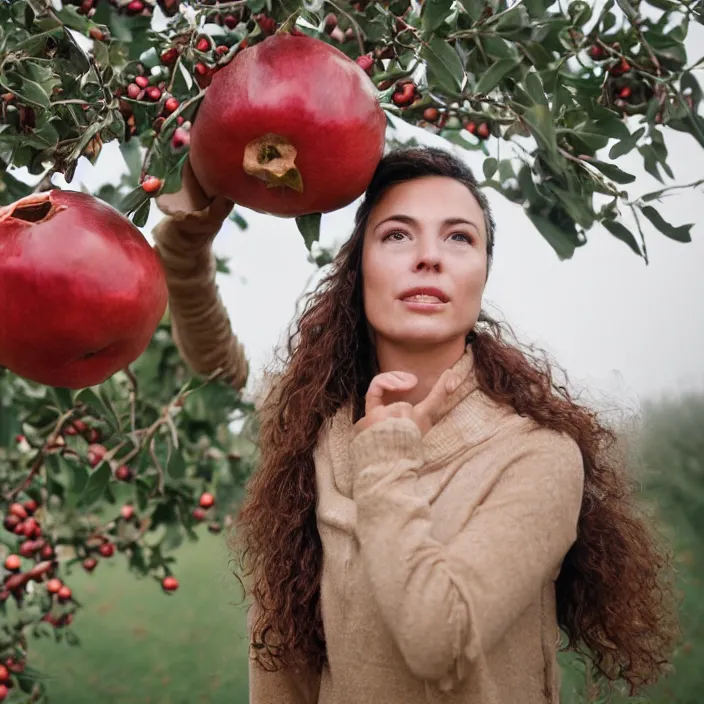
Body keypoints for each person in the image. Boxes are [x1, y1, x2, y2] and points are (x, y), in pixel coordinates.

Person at [157, 146, 679, 703]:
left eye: (459, 237)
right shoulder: (313, 424)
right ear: (358, 271)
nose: (429, 256)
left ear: (481, 277)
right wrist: (186, 239)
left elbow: (440, 641)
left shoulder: (537, 455)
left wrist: (384, 457)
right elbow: (218, 363)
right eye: (398, 235)